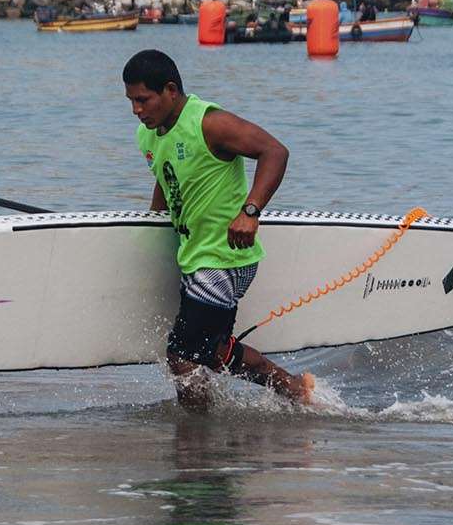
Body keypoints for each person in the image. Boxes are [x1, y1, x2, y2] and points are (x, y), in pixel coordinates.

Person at [124, 49, 315, 412]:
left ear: (170, 90)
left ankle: (196, 439)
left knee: (181, 356)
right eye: (131, 101)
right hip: (195, 256)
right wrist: (149, 227)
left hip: (224, 256)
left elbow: (274, 151)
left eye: (143, 99)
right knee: (213, 352)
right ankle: (294, 390)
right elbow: (166, 179)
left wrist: (250, 212)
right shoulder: (147, 136)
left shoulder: (208, 123)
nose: (136, 109)